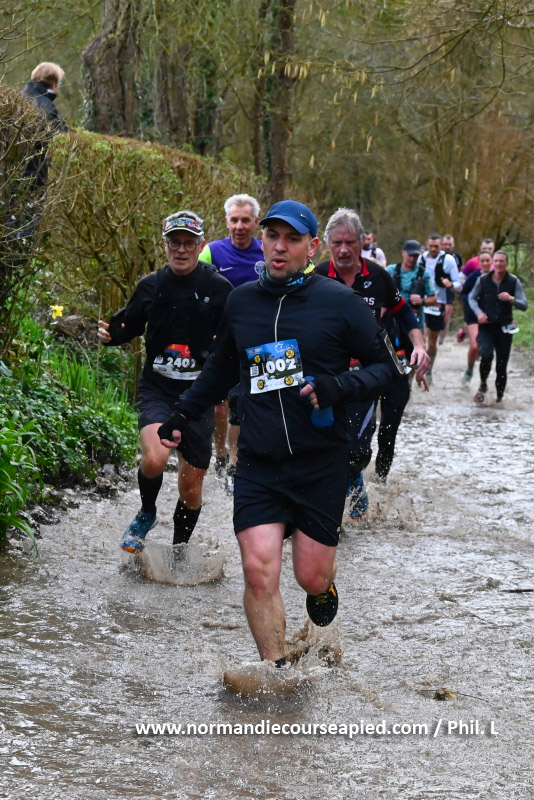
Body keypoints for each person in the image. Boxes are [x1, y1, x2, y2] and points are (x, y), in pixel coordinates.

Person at [158, 200, 402, 665]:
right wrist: (181, 413)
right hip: (260, 461)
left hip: (319, 462)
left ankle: (322, 587)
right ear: (263, 240)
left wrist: (337, 387)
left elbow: (387, 370)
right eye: (273, 236)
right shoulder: (242, 301)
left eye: (292, 238)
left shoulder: (340, 303)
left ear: (312, 247)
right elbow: (221, 368)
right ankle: (276, 673)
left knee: (311, 576)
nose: (280, 246)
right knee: (258, 569)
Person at [97, 211, 232, 552]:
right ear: (165, 244)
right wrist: (111, 336)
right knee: (155, 459)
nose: (181, 250)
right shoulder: (151, 285)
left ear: (200, 245)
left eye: (189, 243)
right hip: (158, 389)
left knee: (191, 489)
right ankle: (146, 513)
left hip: (198, 396)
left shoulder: (218, 288)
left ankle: (178, 551)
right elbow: (129, 326)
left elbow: (235, 335)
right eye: (175, 243)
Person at [317, 213, 429, 506]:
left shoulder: (378, 276)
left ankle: (365, 480)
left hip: (370, 371)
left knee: (364, 443)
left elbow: (404, 313)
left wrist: (419, 346)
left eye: (350, 242)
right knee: (327, 441)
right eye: (337, 243)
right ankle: (332, 498)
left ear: (362, 243)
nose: (343, 250)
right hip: (330, 371)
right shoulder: (316, 276)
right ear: (327, 243)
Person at [200, 194, 263, 491]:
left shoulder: (265, 252)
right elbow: (196, 290)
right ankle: (220, 454)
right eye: (234, 220)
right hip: (219, 340)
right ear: (226, 221)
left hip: (256, 341)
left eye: (245, 220)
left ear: (255, 223)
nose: (239, 226)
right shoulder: (212, 252)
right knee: (219, 407)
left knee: (243, 403)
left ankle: (237, 461)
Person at [468, 250, 528, 404]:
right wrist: (479, 313)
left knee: (502, 365)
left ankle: (499, 399)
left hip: (505, 327)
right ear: (492, 263)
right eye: (496, 261)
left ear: (507, 263)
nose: (499, 264)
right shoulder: (483, 280)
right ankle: (483, 385)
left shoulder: (513, 281)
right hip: (487, 327)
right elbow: (471, 298)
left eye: (502, 261)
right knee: (487, 356)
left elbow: (524, 305)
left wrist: (512, 299)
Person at [418, 234, 461, 384]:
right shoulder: (421, 259)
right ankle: (419, 370)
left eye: (436, 246)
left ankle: (429, 370)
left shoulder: (448, 260)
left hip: (438, 304)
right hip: (423, 303)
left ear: (441, 245)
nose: (433, 249)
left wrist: (451, 284)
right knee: (421, 339)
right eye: (431, 246)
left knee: (432, 343)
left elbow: (458, 284)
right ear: (427, 245)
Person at [22, 62, 68, 189]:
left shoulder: (20, 97)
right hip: (34, 168)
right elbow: (54, 134)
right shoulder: (45, 104)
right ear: (53, 84)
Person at [459, 250, 493, 384]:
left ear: (491, 261)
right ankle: (469, 369)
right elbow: (463, 294)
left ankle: (484, 379)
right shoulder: (473, 277)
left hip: (490, 316)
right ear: (479, 262)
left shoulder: (496, 276)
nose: (485, 263)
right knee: (474, 346)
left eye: (487, 260)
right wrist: (472, 300)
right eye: (482, 261)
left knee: (487, 350)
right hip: (473, 315)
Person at [440, 234, 463, 344]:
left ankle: (442, 339)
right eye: (445, 244)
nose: (447, 246)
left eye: (450, 244)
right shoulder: (436, 256)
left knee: (447, 313)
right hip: (437, 287)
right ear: (442, 244)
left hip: (450, 288)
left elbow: (460, 272)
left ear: (453, 245)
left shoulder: (457, 257)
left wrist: (458, 284)